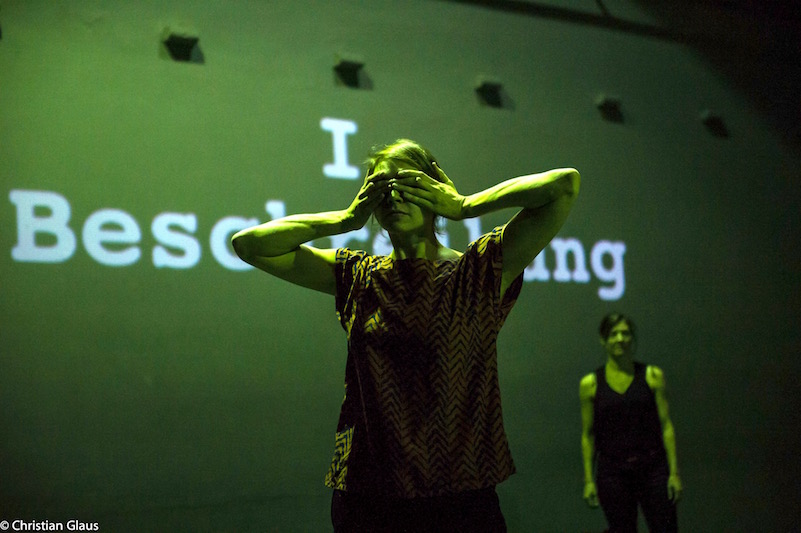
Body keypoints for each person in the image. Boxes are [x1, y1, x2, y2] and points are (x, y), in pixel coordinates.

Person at [232, 139, 580, 532]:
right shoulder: (359, 275)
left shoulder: (476, 272)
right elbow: (248, 245)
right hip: (369, 498)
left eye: (406, 184)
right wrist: (344, 220)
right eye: (381, 187)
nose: (393, 196)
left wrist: (465, 205)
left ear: (433, 188)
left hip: (459, 497)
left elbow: (563, 186)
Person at [579, 313, 682, 532]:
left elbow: (666, 426)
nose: (620, 339)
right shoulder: (590, 384)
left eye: (625, 333)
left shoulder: (652, 376)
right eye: (613, 334)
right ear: (603, 339)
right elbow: (588, 435)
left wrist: (674, 473)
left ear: (632, 338)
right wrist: (588, 480)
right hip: (613, 473)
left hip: (653, 469)